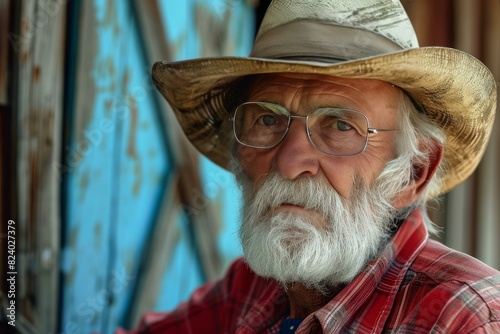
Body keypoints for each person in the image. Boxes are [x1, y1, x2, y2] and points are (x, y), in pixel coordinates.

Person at [122, 0, 500, 332]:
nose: (288, 163)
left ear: (414, 171)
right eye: (268, 120)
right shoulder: (255, 288)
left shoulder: (463, 319)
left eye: (340, 126)